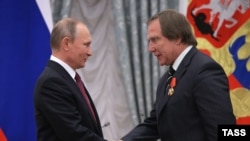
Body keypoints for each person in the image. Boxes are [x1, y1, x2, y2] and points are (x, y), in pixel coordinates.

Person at [121, 9, 236, 141]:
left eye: (155, 40)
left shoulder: (204, 70)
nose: (150, 48)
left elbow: (223, 130)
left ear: (177, 37)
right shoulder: (166, 79)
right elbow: (154, 124)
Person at [34, 18, 110, 141]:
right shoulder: (51, 82)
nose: (90, 52)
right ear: (66, 44)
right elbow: (74, 134)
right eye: (86, 45)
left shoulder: (67, 78)